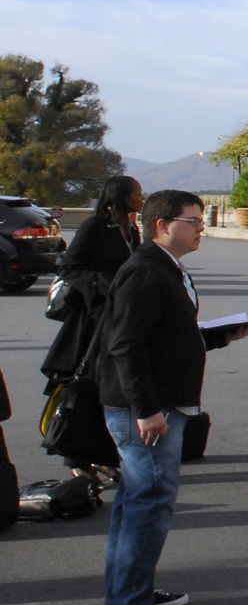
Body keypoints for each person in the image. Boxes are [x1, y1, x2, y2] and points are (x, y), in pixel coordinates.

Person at [95, 189, 248, 605]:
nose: (202, 228)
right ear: (163, 225)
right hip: (147, 410)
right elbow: (126, 345)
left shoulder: (166, 267)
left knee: (138, 504)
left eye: (203, 221)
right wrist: (146, 409)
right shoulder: (145, 271)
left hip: (160, 403)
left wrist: (221, 336)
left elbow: (167, 335)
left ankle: (133, 590)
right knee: (148, 505)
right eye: (194, 221)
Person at [42, 175, 143, 478]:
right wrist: (101, 282)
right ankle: (77, 459)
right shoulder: (94, 227)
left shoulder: (131, 229)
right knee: (86, 388)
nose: (141, 198)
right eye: (136, 193)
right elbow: (69, 267)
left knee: (110, 390)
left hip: (119, 317)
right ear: (120, 196)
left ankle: (103, 455)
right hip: (91, 321)